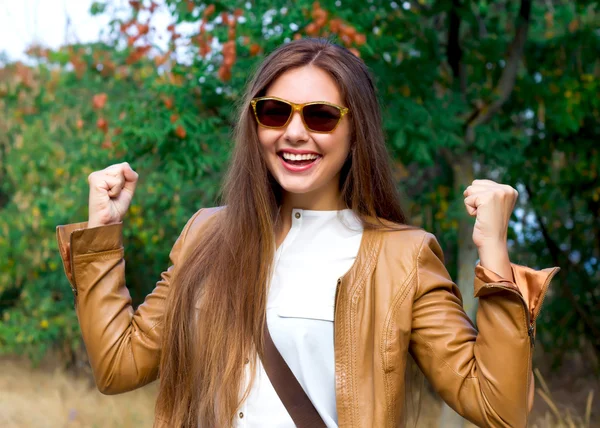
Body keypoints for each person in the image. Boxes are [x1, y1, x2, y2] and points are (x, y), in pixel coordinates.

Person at [56, 38, 558, 428]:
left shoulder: (402, 257)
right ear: (256, 124)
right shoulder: (206, 233)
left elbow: (499, 407)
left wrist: (494, 252)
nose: (295, 132)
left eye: (320, 116)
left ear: (354, 129)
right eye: (275, 112)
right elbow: (118, 365)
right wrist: (102, 235)